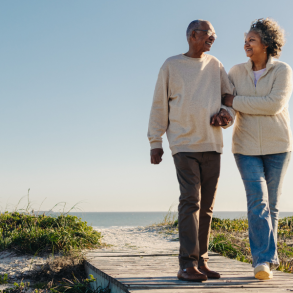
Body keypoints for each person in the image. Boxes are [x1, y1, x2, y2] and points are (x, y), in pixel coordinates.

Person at [148, 19, 235, 282]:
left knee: (206, 207)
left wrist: (226, 114)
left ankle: (202, 261)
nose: (213, 38)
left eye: (214, 35)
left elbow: (228, 97)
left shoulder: (215, 65)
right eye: (209, 34)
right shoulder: (171, 65)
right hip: (183, 145)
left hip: (212, 144)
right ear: (193, 35)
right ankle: (186, 264)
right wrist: (155, 142)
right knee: (190, 201)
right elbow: (159, 104)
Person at [222, 18, 292, 280]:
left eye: (251, 39)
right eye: (245, 40)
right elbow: (228, 105)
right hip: (245, 146)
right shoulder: (235, 72)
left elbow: (273, 105)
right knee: (257, 201)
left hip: (279, 146)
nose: (246, 44)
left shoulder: (283, 70)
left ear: (266, 42)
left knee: (272, 205)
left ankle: (268, 260)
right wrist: (226, 113)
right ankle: (262, 261)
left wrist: (237, 101)